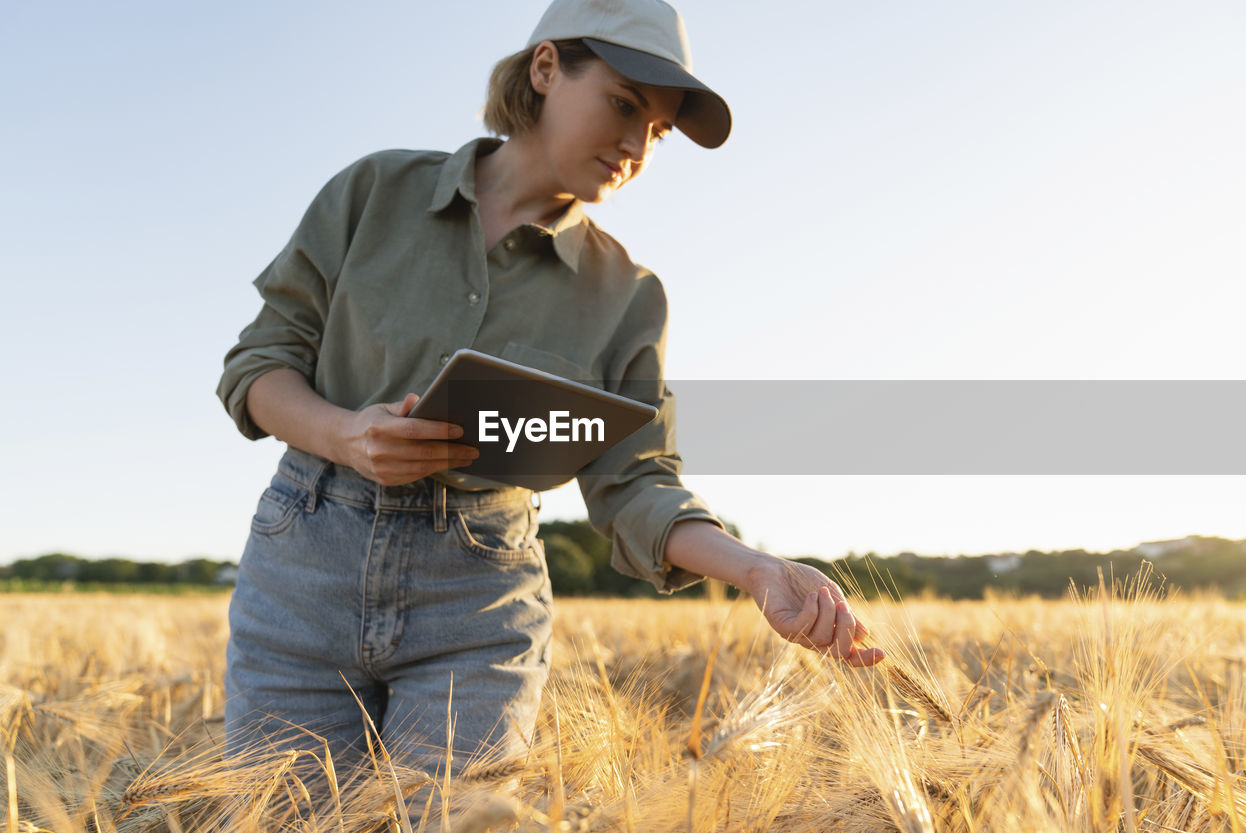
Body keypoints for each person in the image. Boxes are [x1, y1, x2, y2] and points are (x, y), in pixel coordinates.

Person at [216, 0, 884, 784]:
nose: (636, 145)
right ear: (545, 69)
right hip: (305, 564)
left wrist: (756, 569)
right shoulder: (374, 192)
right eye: (625, 104)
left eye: (659, 131)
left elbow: (634, 483)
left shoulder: (628, 296)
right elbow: (259, 365)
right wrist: (343, 435)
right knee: (283, 832)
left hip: (476, 598)